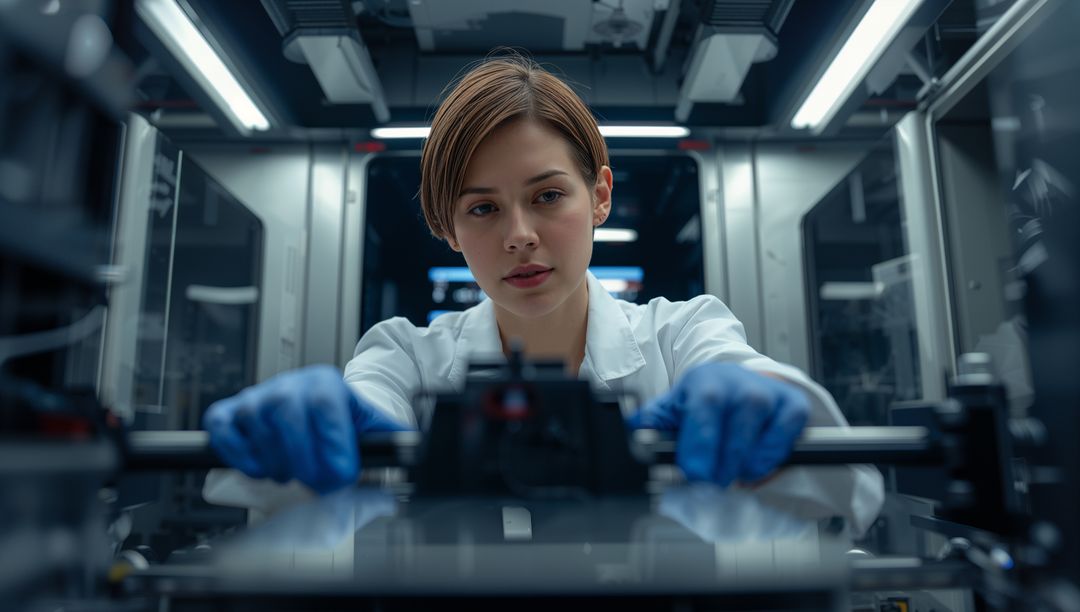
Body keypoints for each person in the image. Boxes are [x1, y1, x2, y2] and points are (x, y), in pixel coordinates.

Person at [202, 54, 884, 535]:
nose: (520, 236)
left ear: (601, 196)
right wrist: (315, 427)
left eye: (548, 196)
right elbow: (334, 444)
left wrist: (774, 406)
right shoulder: (404, 358)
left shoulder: (682, 337)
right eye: (482, 209)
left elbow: (839, 480)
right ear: (446, 227)